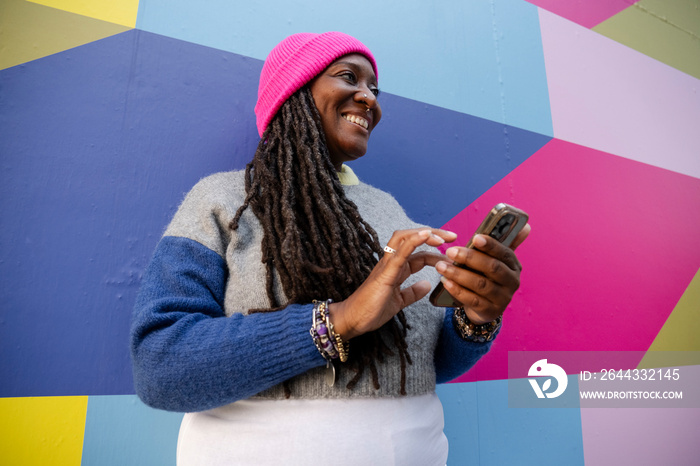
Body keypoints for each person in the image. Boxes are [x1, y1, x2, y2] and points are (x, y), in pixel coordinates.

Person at [131, 31, 529, 465]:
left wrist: (475, 317)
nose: (368, 98)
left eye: (374, 88)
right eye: (348, 77)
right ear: (294, 91)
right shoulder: (223, 200)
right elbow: (160, 368)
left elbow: (425, 364)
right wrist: (337, 321)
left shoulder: (390, 212)